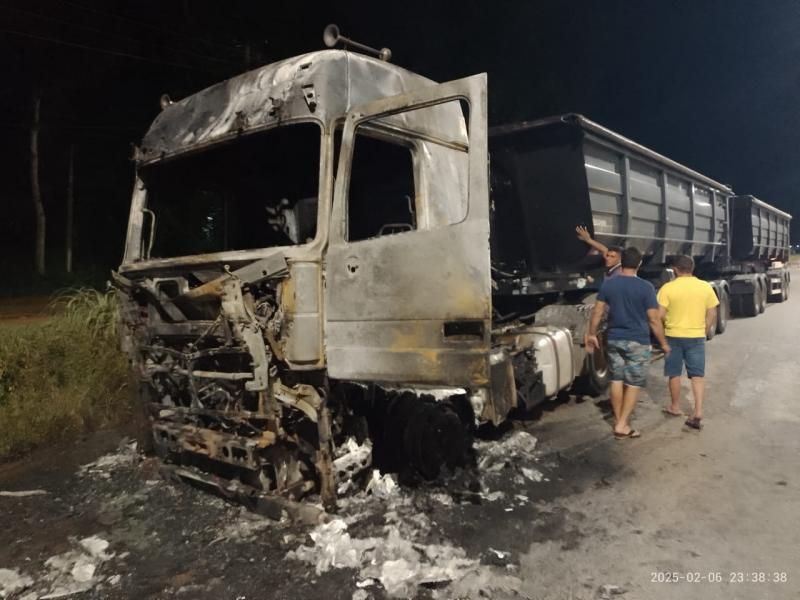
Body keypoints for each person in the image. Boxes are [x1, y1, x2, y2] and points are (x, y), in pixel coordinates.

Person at [585, 247, 670, 439]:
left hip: (614, 338)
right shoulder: (646, 287)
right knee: (633, 382)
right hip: (637, 341)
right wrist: (663, 343)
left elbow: (597, 312)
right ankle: (622, 425)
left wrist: (591, 334)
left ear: (621, 262)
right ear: (639, 264)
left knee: (616, 379)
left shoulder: (609, 285)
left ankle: (619, 420)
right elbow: (654, 319)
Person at [656, 255, 719, 430]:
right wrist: (704, 331)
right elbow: (712, 313)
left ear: (675, 269)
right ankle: (698, 411)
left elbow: (659, 315)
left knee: (674, 373)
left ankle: (675, 407)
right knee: (697, 376)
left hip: (673, 335)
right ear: (692, 268)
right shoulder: (704, 287)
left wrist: (666, 327)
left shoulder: (667, 288)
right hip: (696, 336)